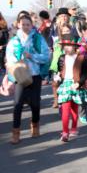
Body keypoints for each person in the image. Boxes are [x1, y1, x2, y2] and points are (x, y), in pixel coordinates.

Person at [6, 15, 50, 144]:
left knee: (35, 103)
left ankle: (35, 124)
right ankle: (16, 132)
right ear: (19, 25)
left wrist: (31, 56)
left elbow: (46, 56)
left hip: (35, 75)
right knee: (17, 104)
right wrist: (17, 59)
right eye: (23, 24)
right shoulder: (14, 41)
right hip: (20, 75)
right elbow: (9, 58)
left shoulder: (38, 38)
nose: (25, 26)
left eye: (28, 24)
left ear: (31, 25)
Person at [55, 34, 87, 142]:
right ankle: (65, 132)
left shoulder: (81, 58)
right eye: (64, 45)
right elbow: (59, 71)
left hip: (76, 84)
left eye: (69, 45)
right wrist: (57, 77)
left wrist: (79, 83)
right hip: (65, 84)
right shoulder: (61, 58)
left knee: (74, 108)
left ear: (75, 46)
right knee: (65, 108)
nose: (66, 47)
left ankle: (74, 128)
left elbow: (85, 74)